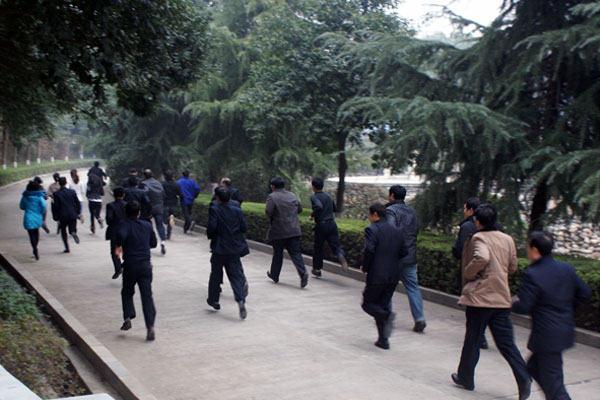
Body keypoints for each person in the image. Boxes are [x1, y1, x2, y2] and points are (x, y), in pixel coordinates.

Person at [451, 204, 531, 399]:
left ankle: (466, 378)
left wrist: (469, 273)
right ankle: (523, 378)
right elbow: (513, 266)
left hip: (480, 298)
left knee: (472, 339)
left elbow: (482, 257)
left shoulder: (480, 238)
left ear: (478, 222)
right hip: (501, 298)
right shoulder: (507, 239)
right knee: (507, 344)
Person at [513, 232, 591, 400]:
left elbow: (524, 306)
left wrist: (512, 302)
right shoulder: (566, 268)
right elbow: (585, 293)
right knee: (533, 367)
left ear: (534, 250)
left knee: (554, 383)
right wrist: (566, 308)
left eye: (528, 248)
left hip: (546, 335)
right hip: (562, 329)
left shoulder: (533, 274)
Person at [361, 202, 408, 350]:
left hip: (377, 275)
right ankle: (383, 340)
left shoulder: (372, 229)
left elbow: (369, 249)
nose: (369, 218)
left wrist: (365, 267)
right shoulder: (397, 231)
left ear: (375, 214)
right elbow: (404, 252)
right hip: (393, 275)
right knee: (380, 305)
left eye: (369, 215)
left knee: (368, 304)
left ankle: (387, 316)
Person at [385, 185, 426, 332]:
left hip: (394, 257)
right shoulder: (412, 212)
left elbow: (390, 232)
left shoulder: (390, 211)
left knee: (387, 287)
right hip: (410, 255)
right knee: (413, 287)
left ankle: (387, 317)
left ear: (391, 195)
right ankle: (419, 318)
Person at [115, 201, 158, 341]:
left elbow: (120, 235)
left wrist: (119, 245)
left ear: (126, 213)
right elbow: (153, 243)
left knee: (127, 291)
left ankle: (128, 317)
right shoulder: (147, 225)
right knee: (147, 296)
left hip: (130, 265)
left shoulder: (124, 225)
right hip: (145, 265)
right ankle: (150, 326)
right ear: (139, 213)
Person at [206, 186, 250, 319]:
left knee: (215, 274)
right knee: (235, 276)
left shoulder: (215, 209)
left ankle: (213, 300)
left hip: (219, 248)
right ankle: (240, 300)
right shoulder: (237, 210)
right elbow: (244, 227)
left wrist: (210, 235)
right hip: (233, 248)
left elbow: (212, 226)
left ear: (217, 198)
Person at [452, 197, 488, 349]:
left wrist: (468, 271)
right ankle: (479, 335)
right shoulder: (496, 229)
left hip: (472, 269)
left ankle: (478, 336)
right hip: (488, 273)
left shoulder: (468, 227)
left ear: (471, 210)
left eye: (465, 208)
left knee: (473, 305)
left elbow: (461, 249)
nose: (464, 211)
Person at [265, 177, 308, 288]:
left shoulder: (272, 197)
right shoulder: (292, 195)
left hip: (278, 231)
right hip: (294, 229)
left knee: (278, 254)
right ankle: (303, 273)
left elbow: (268, 212)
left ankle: (275, 275)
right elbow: (299, 209)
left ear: (273, 186)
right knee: (296, 253)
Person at [308, 177, 348, 277]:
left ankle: (317, 269)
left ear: (313, 187)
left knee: (318, 248)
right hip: (332, 224)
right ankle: (340, 254)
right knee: (335, 245)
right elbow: (334, 209)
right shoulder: (329, 196)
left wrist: (312, 215)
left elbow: (319, 206)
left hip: (321, 225)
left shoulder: (314, 197)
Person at [52, 177, 81, 253]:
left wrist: (55, 216)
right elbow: (77, 203)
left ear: (59, 183)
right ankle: (73, 232)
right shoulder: (72, 192)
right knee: (72, 228)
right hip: (72, 214)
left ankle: (67, 247)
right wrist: (78, 212)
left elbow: (56, 206)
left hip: (62, 215)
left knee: (63, 231)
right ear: (66, 183)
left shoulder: (56, 194)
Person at [20, 180, 47, 260]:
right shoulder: (39, 196)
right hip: (37, 217)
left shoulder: (25, 196)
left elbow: (21, 206)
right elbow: (44, 206)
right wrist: (41, 212)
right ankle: (35, 247)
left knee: (31, 235)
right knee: (36, 233)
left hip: (28, 217)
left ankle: (34, 248)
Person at [142, 169, 166, 255]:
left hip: (149, 208)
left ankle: (149, 243)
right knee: (160, 225)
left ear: (144, 176)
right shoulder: (159, 183)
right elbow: (164, 195)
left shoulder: (144, 184)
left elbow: (144, 196)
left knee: (148, 226)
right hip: (159, 207)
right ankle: (163, 241)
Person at [106, 187, 127, 279]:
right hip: (126, 231)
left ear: (114, 196)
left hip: (114, 231)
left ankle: (118, 268)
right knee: (127, 250)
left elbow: (109, 219)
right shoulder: (127, 205)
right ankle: (125, 265)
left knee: (114, 251)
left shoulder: (110, 206)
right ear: (124, 195)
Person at [161, 170, 184, 240]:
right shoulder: (176, 185)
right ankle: (169, 234)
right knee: (171, 219)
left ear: (165, 177)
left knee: (164, 219)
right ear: (172, 177)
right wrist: (180, 202)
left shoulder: (162, 184)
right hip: (173, 204)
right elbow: (181, 195)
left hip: (165, 203)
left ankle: (167, 220)